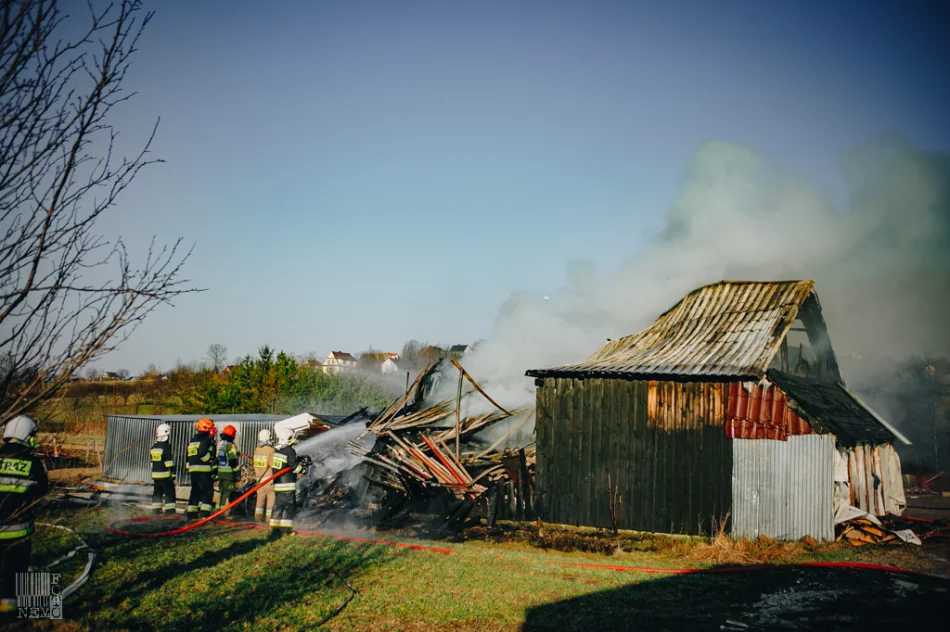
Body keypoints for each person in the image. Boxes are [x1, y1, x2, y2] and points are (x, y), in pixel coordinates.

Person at [0, 416, 49, 616]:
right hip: (20, 531)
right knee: (15, 572)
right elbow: (42, 492)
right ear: (27, 436)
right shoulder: (32, 463)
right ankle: (12, 614)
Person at [269, 426, 307, 538]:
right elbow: (295, 468)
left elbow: (285, 463)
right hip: (287, 486)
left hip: (278, 485)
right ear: (289, 438)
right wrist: (303, 469)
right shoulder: (289, 451)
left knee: (278, 506)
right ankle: (287, 530)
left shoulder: (277, 450)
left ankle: (273, 529)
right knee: (289, 507)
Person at [185, 418, 215, 519]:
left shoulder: (193, 441)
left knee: (195, 492)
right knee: (207, 492)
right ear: (206, 428)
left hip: (194, 471)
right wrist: (210, 460)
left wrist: (189, 468)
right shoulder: (206, 440)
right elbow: (203, 454)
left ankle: (191, 513)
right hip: (204, 471)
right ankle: (204, 514)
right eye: (211, 427)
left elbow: (188, 456)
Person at [149, 423, 177, 515]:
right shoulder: (166, 446)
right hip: (165, 475)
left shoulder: (153, 447)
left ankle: (156, 510)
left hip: (155, 475)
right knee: (169, 492)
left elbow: (152, 462)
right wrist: (172, 472)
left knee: (157, 493)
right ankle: (170, 511)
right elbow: (168, 460)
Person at [253, 429, 275, 524]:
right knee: (271, 498)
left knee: (260, 499)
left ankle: (258, 518)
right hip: (269, 479)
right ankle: (269, 519)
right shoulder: (270, 450)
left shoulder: (257, 449)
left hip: (259, 479)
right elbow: (273, 465)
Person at [215, 425, 239, 514]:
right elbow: (233, 461)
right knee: (229, 492)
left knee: (222, 492)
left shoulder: (220, 444)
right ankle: (226, 512)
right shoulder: (231, 445)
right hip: (228, 473)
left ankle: (218, 510)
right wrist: (237, 473)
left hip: (220, 472)